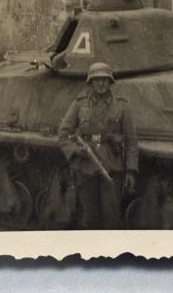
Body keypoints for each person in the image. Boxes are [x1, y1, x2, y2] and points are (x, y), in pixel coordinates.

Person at [58, 62, 139, 229]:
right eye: (97, 80)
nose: (101, 83)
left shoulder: (122, 106)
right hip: (86, 165)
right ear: (90, 82)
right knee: (89, 216)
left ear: (110, 82)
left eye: (104, 79)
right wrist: (75, 151)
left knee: (111, 216)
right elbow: (63, 134)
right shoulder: (80, 104)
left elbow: (131, 140)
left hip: (111, 167)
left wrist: (131, 170)